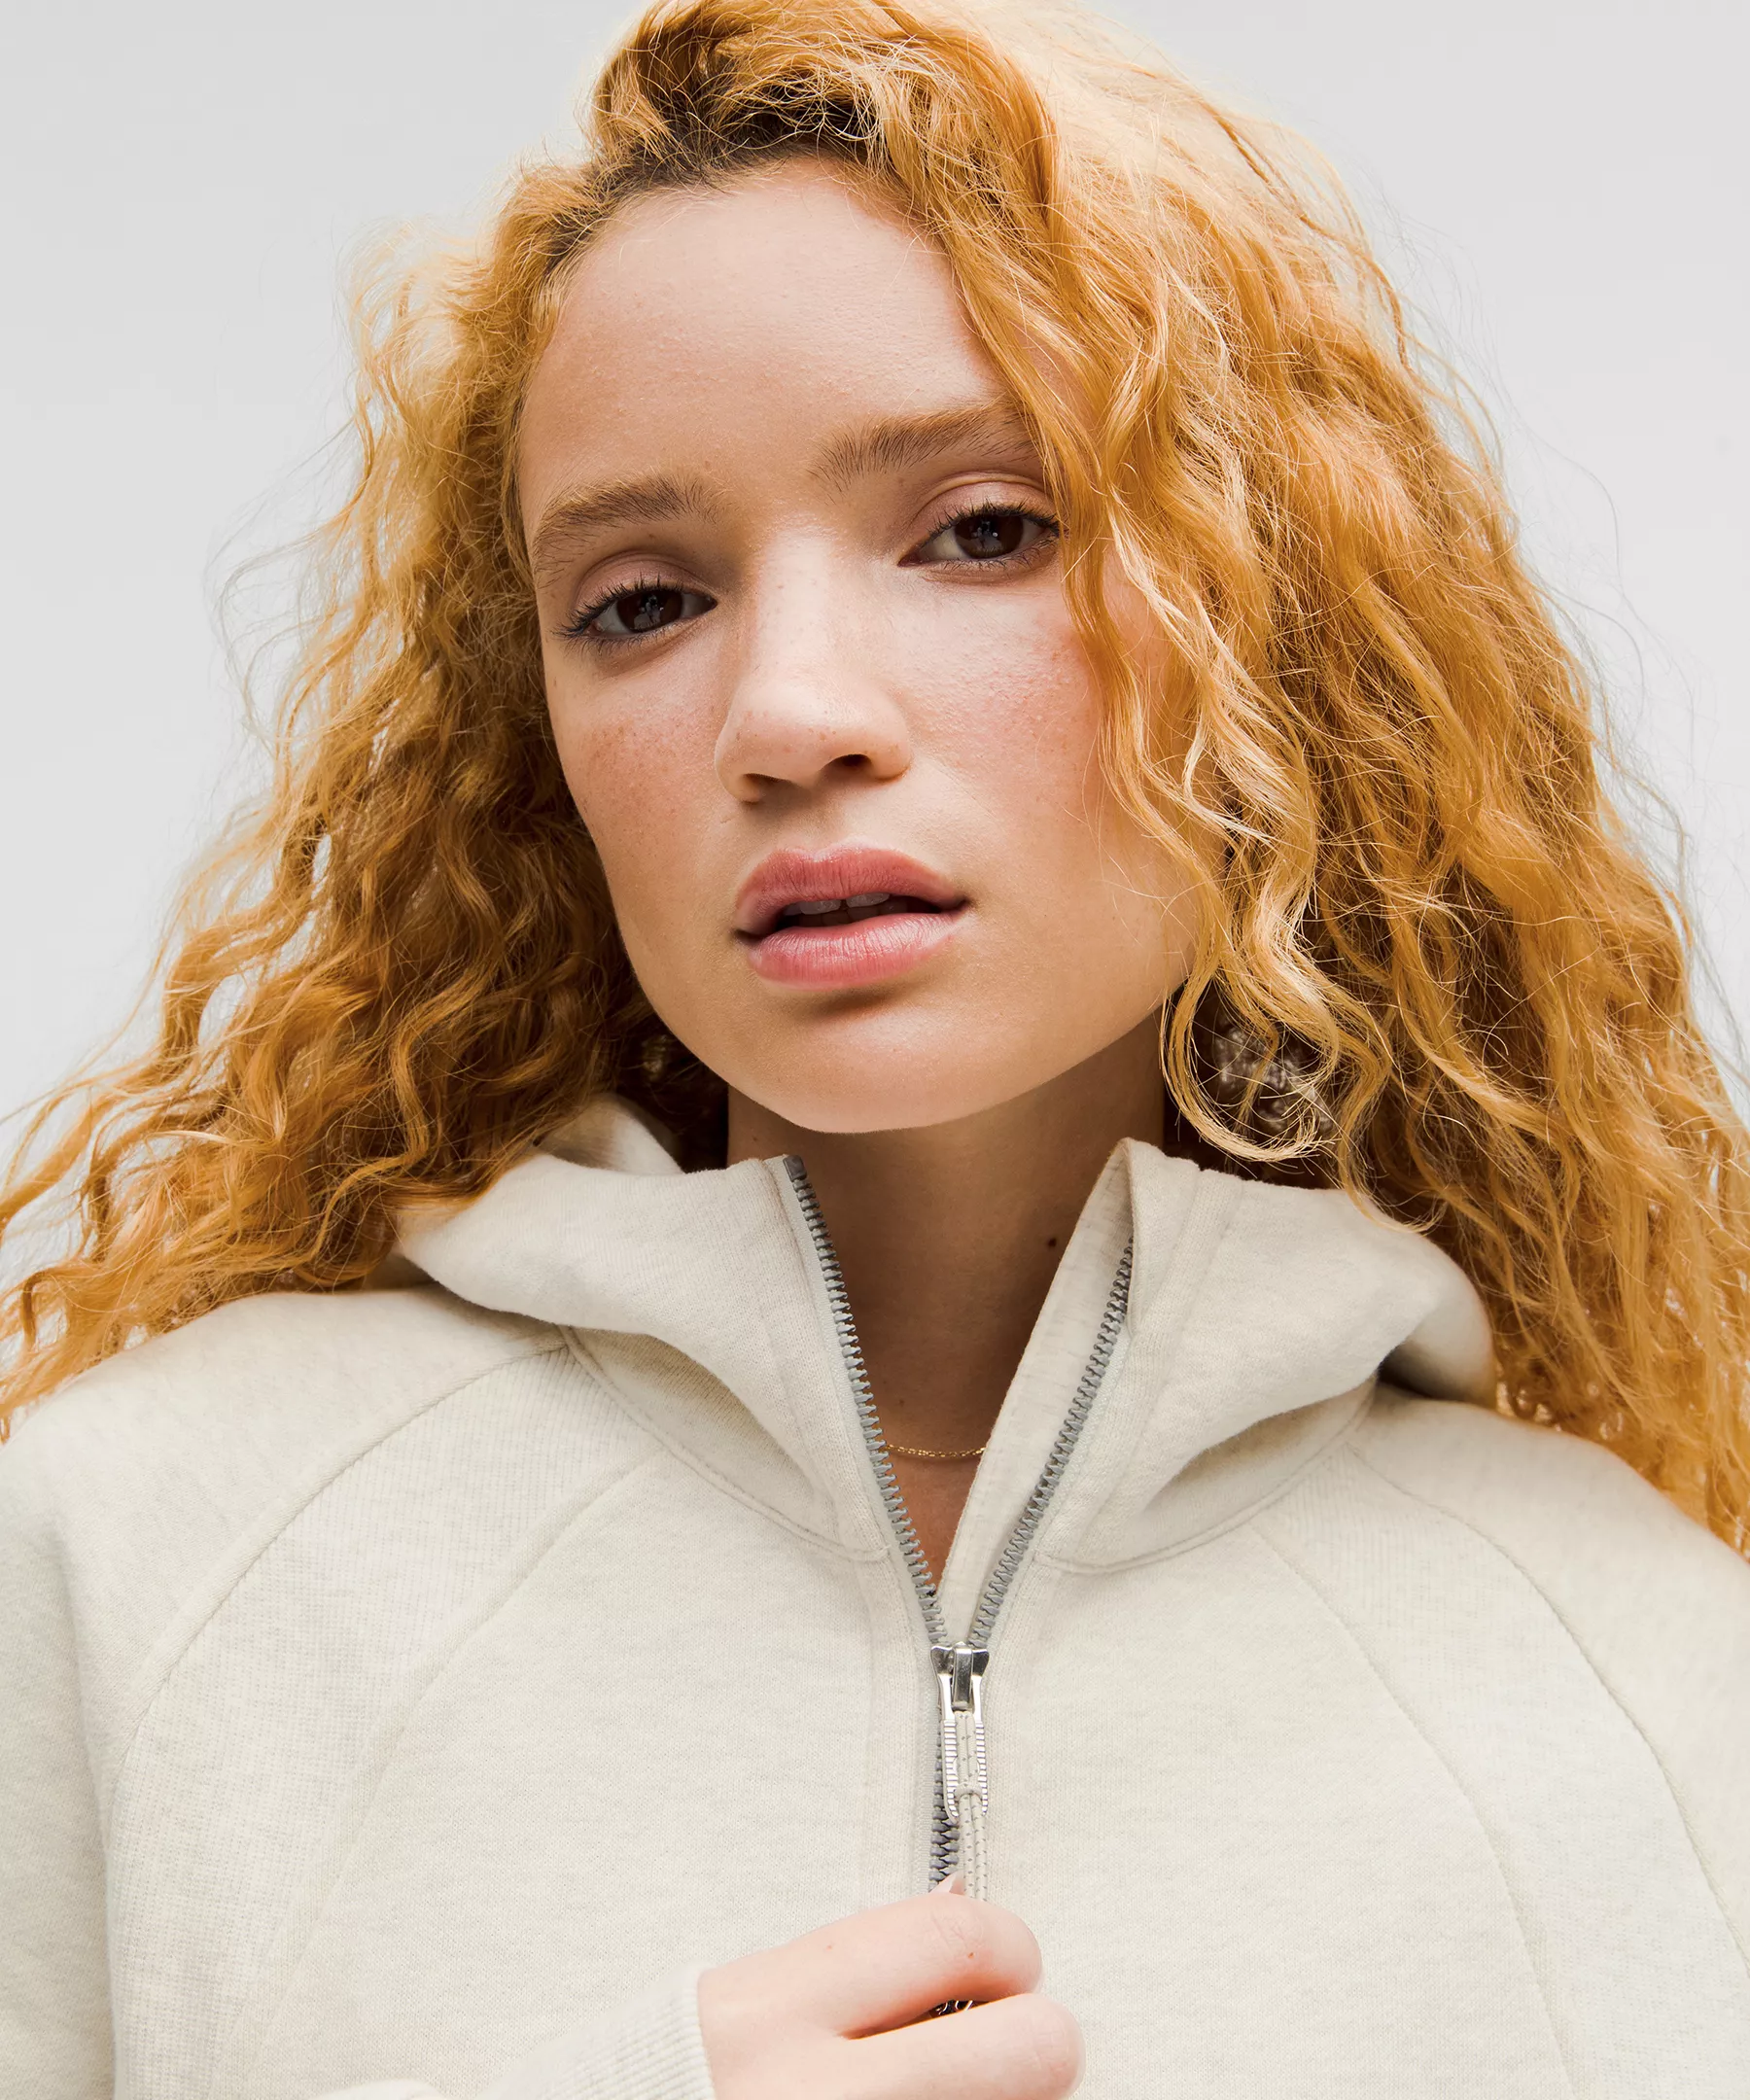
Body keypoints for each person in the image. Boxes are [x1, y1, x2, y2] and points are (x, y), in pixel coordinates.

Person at [4, 1, 1748, 2095]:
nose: (790, 713)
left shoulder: (1660, 1691)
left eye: (985, 530)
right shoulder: (135, 1557)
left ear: (1272, 639)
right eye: (641, 601)